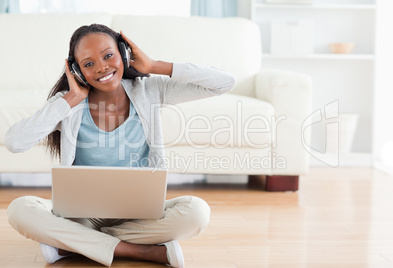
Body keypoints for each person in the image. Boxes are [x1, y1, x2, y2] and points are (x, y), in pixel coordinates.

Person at [5, 24, 236, 267]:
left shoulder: (150, 91)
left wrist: (154, 65)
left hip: (139, 214)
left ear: (124, 54)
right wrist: (70, 99)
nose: (102, 67)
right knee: (20, 210)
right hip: (82, 216)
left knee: (197, 212)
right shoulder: (68, 105)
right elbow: (14, 142)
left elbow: (224, 82)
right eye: (88, 63)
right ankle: (139, 251)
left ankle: (74, 245)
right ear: (77, 71)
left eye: (108, 56)